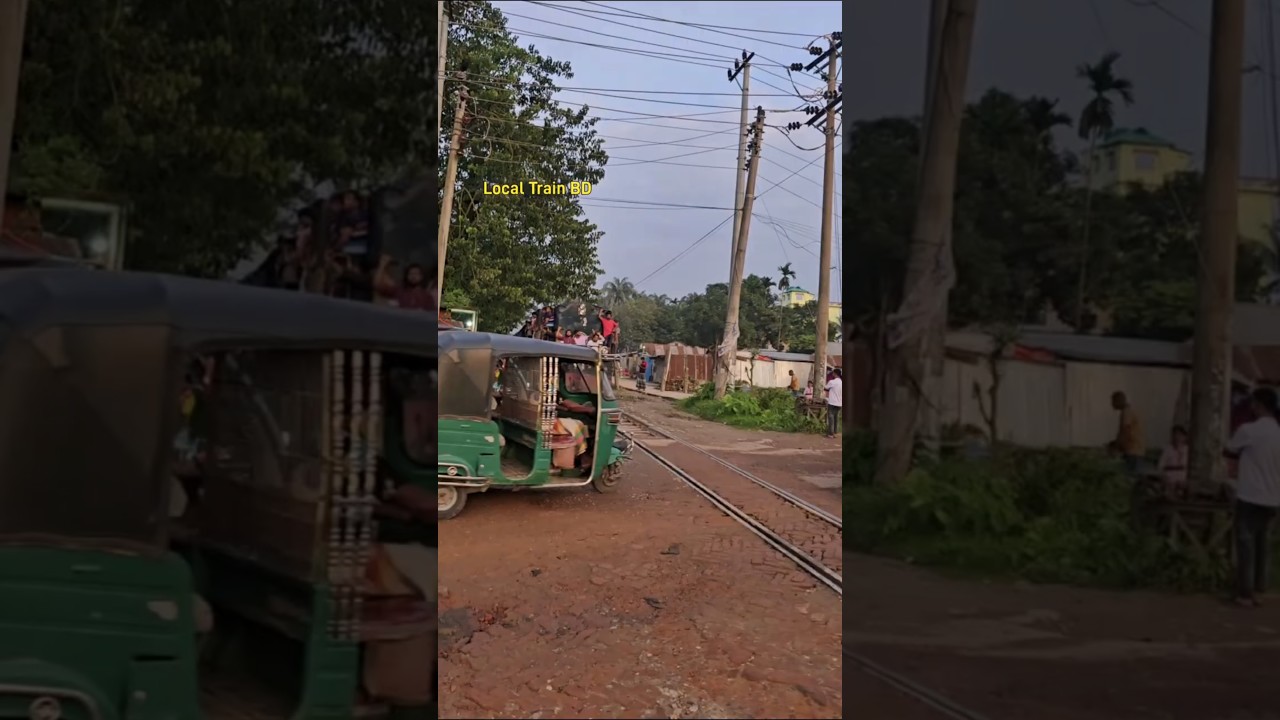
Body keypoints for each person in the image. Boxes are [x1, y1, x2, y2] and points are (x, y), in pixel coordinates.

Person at [1225, 386, 1280, 607]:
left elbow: (1229, 448)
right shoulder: (1278, 432)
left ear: (1258, 405)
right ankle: (1260, 588)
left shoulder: (1248, 430)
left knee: (1246, 543)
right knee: (1263, 544)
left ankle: (1245, 594)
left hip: (1250, 495)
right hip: (1274, 498)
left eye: (1253, 403)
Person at [1107, 391, 1145, 473]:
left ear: (1118, 401)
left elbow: (1125, 431)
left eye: (1113, 401)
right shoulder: (1129, 411)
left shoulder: (1126, 412)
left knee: (1131, 477)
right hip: (1134, 450)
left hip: (1133, 450)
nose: (1112, 404)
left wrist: (1116, 446)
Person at [1157, 425, 1190, 497]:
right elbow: (1160, 465)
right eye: (1175, 434)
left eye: (1180, 435)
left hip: (1182, 476)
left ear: (1184, 437)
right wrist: (1163, 476)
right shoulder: (1167, 449)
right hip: (1169, 475)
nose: (1177, 437)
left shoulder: (1187, 450)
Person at [823, 368, 843, 438]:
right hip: (840, 403)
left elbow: (825, 388)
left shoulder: (832, 382)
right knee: (836, 417)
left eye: (833, 373)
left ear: (835, 374)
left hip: (832, 402)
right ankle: (835, 432)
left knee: (831, 417)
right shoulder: (841, 382)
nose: (832, 374)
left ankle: (831, 434)